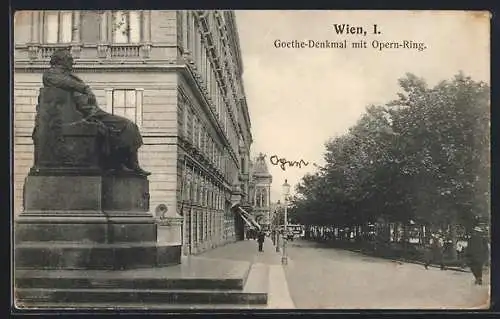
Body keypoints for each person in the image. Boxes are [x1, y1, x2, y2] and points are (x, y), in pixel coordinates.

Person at [41, 49, 150, 176]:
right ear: (60, 61)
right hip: (85, 115)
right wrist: (85, 88)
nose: (72, 62)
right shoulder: (51, 74)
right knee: (126, 126)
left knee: (129, 126)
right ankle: (126, 163)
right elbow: (64, 82)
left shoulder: (68, 75)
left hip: (92, 112)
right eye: (69, 59)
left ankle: (127, 163)